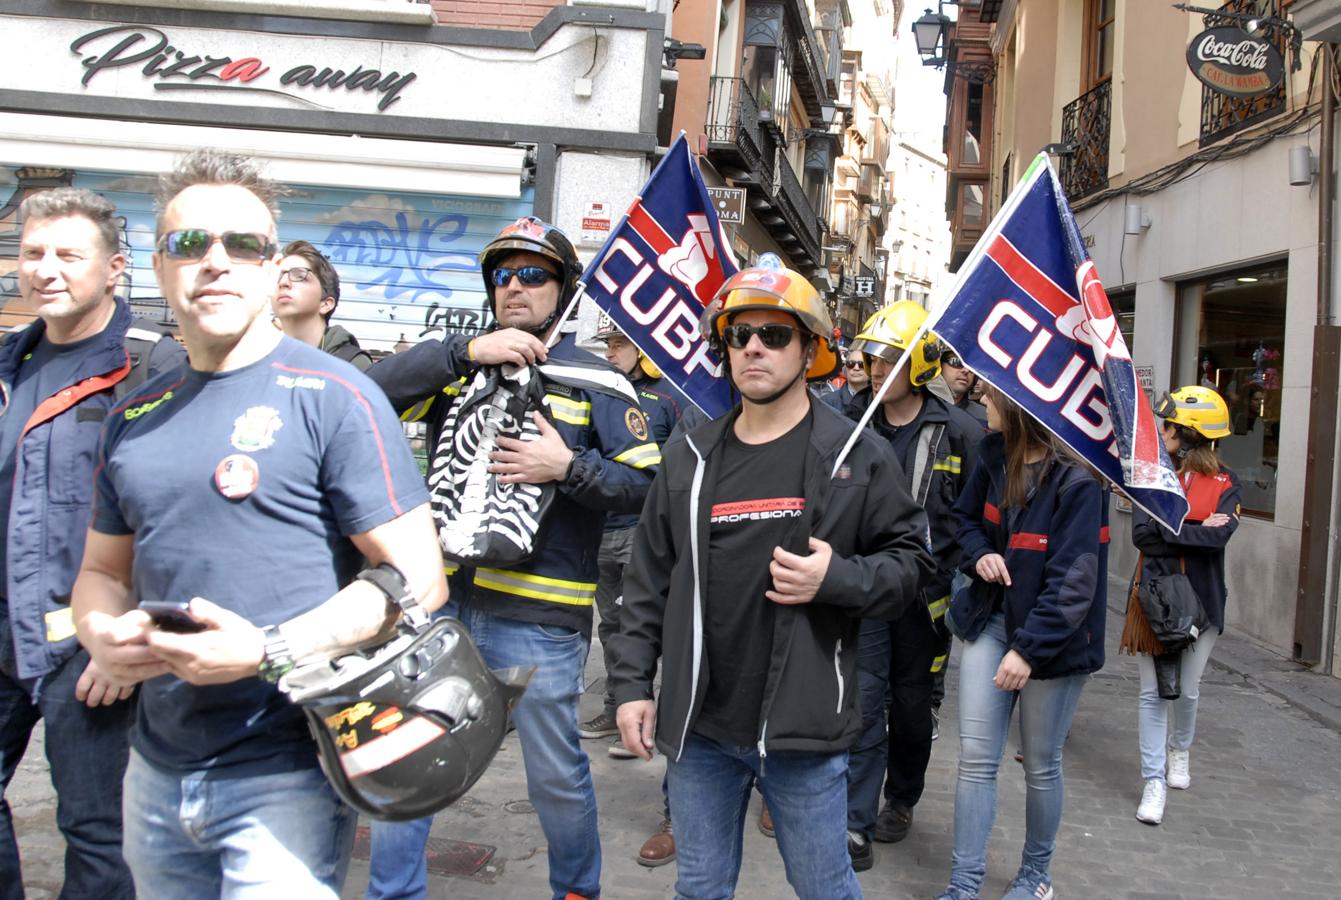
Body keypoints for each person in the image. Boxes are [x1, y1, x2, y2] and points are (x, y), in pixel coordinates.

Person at [70, 149, 447, 898]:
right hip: (154, 770)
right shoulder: (134, 415)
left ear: (273, 268)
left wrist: (267, 650)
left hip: (289, 771)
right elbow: (100, 574)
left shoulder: (335, 396)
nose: (215, 262)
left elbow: (419, 579)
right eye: (190, 244)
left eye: (241, 244)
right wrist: (100, 636)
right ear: (157, 265)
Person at [610, 257, 935, 899]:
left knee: (824, 889)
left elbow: (912, 564)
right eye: (738, 335)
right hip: (700, 725)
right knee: (700, 888)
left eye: (774, 334)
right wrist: (630, 687)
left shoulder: (853, 455)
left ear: (809, 348)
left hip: (805, 729)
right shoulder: (690, 454)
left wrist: (835, 578)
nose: (753, 347)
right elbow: (647, 581)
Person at [364, 216, 657, 900]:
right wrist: (462, 350)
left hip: (538, 618)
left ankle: (575, 890)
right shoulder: (460, 365)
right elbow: (366, 397)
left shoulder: (596, 382)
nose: (514, 287)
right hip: (441, 604)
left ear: (563, 289)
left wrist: (566, 466)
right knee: (408, 757)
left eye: (532, 275)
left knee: (553, 773)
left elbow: (647, 485)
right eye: (501, 275)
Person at [0, 187, 184, 900]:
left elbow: (174, 517)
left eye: (68, 254)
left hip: (87, 645)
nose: (47, 268)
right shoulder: (8, 363)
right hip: (5, 631)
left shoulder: (151, 368)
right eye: (33, 252)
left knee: (97, 834)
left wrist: (125, 636)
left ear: (113, 269)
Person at [937, 384, 1107, 900]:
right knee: (976, 760)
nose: (982, 402)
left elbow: (1074, 583)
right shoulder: (993, 456)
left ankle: (1036, 876)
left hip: (1051, 644)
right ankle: (964, 884)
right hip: (991, 621)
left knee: (1041, 762)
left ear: (1017, 406)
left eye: (991, 396)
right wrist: (978, 555)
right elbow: (961, 521)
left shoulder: (1078, 482)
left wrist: (1027, 650)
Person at [840, 302, 981, 869]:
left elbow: (976, 517)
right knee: (865, 702)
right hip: (868, 592)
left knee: (914, 708)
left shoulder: (960, 432)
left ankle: (901, 798)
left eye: (890, 361)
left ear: (919, 365)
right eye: (872, 360)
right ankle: (856, 820)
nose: (876, 371)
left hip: (925, 602)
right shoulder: (850, 423)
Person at [1127, 386, 1240, 826]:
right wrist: (1194, 524)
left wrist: (1170, 527)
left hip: (1204, 604)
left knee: (1187, 690)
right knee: (1153, 693)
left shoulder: (1228, 484)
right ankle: (1153, 779)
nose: (1164, 430)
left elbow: (1219, 539)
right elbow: (1140, 535)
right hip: (1154, 601)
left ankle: (1180, 749)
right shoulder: (1150, 474)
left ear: (1190, 434)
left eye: (1171, 425)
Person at [580, 314, 686, 759]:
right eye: (607, 345)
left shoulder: (667, 400)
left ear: (643, 350)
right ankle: (615, 707)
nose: (609, 353)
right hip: (599, 532)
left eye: (619, 345)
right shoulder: (598, 392)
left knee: (644, 625)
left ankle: (647, 710)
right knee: (612, 627)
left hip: (644, 536)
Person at [272, 238, 373, 370]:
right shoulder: (256, 359)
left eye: (299, 275)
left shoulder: (352, 365)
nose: (283, 282)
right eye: (278, 276)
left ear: (325, 304)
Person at [940, 351, 988, 427]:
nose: (966, 370)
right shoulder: (918, 405)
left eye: (971, 366)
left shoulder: (985, 417)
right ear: (939, 366)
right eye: (956, 361)